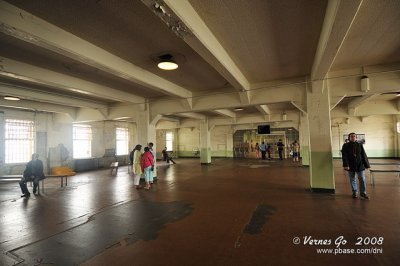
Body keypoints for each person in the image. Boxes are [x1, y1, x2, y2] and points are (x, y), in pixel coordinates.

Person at [341, 132, 370, 199]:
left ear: (356, 137)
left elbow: (363, 154)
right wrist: (346, 165)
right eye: (351, 136)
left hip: (360, 164)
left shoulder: (359, 144)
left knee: (362, 179)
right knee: (352, 179)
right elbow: (344, 156)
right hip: (350, 165)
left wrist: (367, 164)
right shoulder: (345, 145)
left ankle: (363, 193)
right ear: (349, 138)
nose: (353, 137)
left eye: (354, 136)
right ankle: (354, 192)